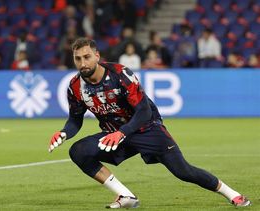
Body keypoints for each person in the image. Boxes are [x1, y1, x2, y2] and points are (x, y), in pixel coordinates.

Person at [48, 37, 251, 209]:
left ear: (97, 56)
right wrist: (65, 132)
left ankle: (232, 194)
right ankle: (126, 196)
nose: (83, 63)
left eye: (87, 57)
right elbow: (75, 119)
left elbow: (144, 111)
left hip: (146, 128)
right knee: (78, 151)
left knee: (183, 172)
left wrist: (122, 133)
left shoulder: (120, 74)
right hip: (116, 134)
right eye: (78, 59)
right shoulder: (75, 86)